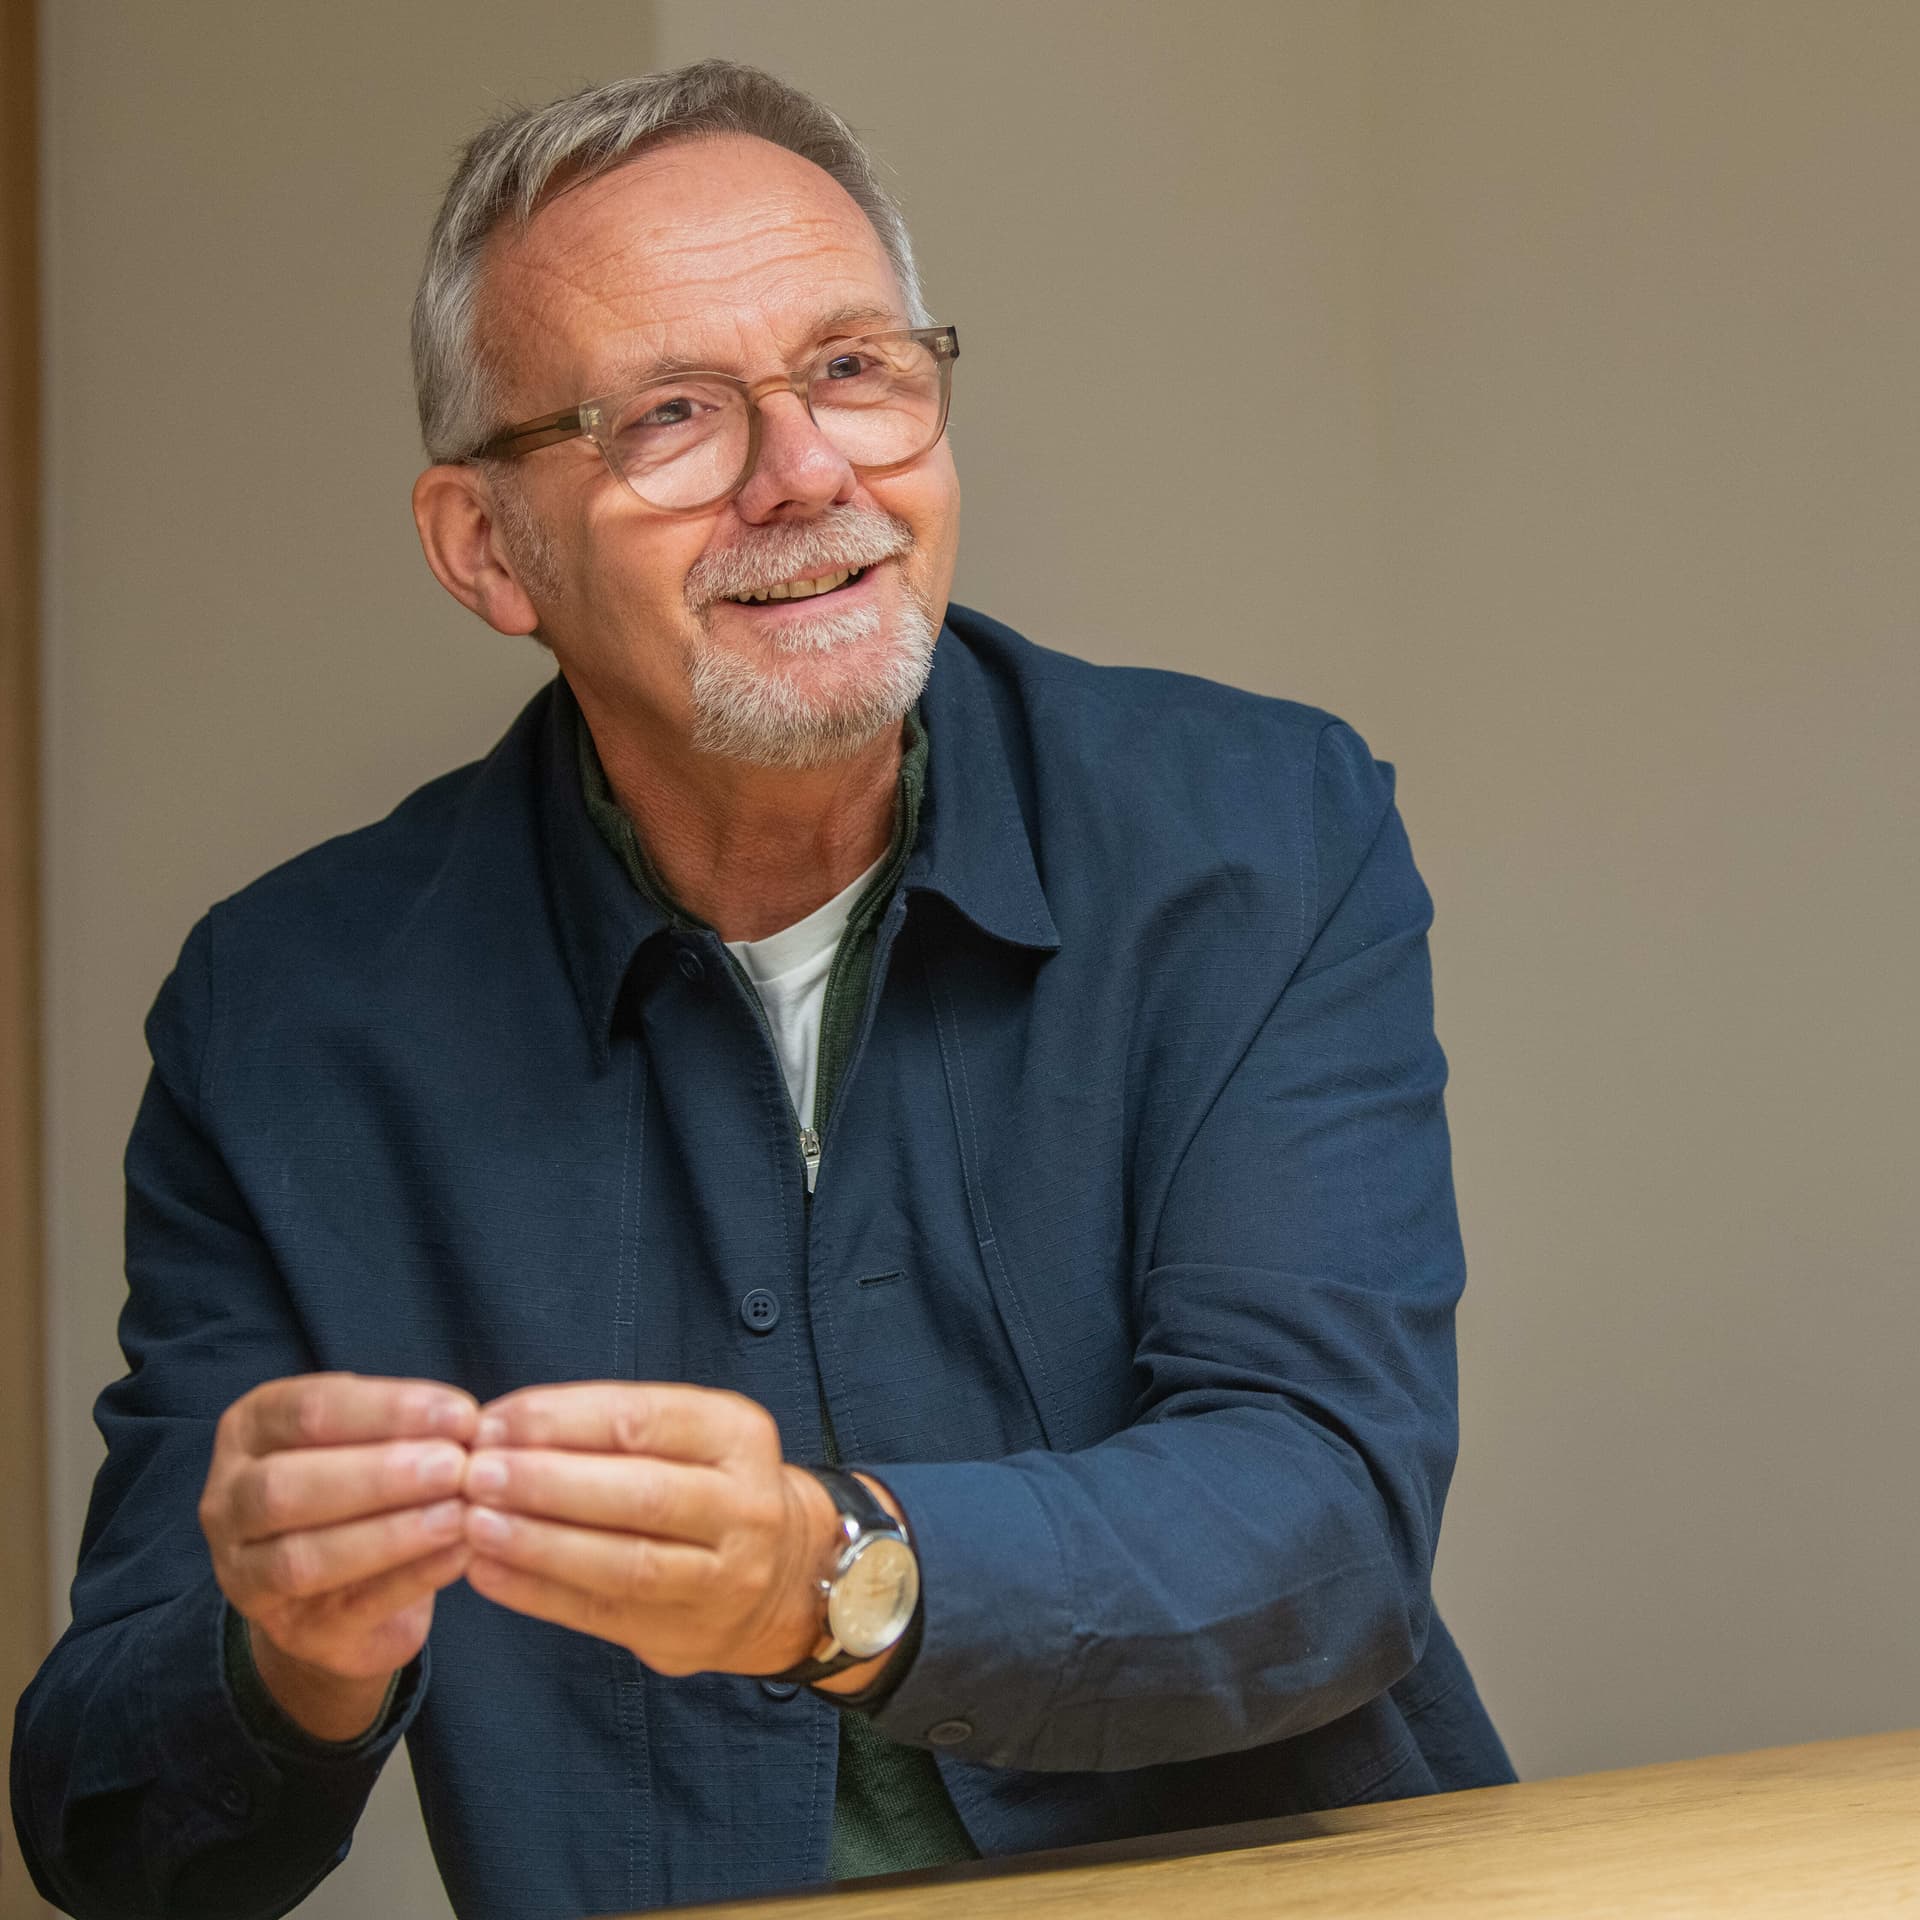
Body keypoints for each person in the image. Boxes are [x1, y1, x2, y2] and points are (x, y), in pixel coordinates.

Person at [11, 59, 1514, 1920]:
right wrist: (294, 1659)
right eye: (670, 415)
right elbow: (113, 1837)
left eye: (858, 369)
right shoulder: (283, 1019)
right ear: (490, 550)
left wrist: (829, 1573)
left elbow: (1326, 1528)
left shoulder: (1263, 833)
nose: (808, 473)